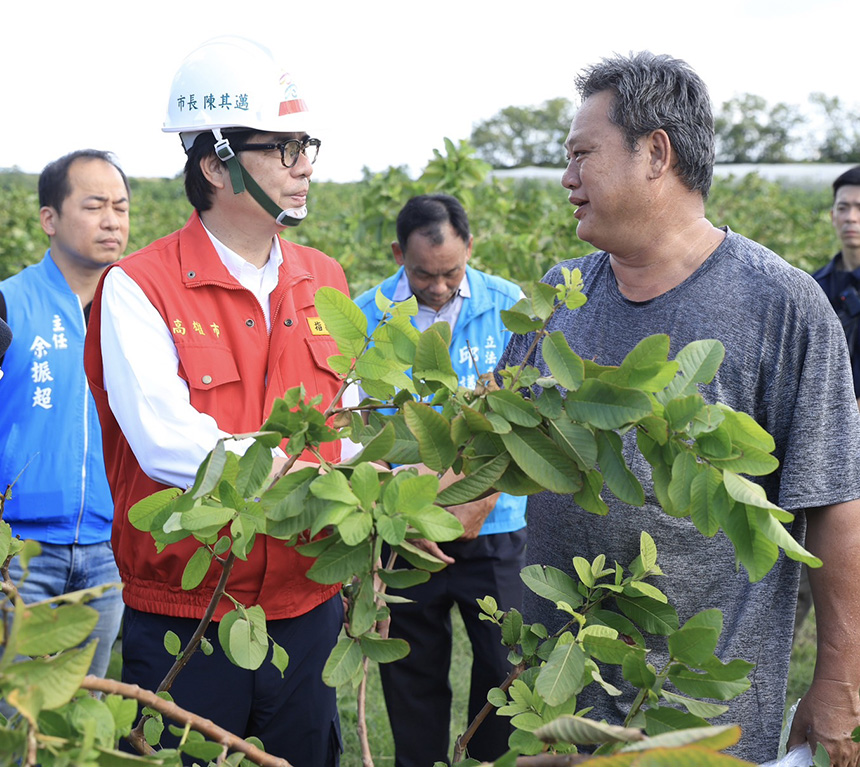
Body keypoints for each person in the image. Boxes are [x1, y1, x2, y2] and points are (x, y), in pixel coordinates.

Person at [497, 52, 860, 766]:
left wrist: (840, 683)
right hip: (558, 688)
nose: (567, 180)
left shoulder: (780, 304)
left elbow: (835, 503)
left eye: (581, 155)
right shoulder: (558, 292)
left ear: (655, 153)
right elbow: (495, 449)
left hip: (698, 708)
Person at [83, 37, 347, 765]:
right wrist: (323, 485)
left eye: (306, 146)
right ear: (216, 163)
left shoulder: (324, 276)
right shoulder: (139, 286)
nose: (304, 167)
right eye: (283, 148)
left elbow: (349, 423)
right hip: (187, 613)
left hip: (307, 606)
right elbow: (168, 441)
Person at [354, 194, 527, 766]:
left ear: (470, 248)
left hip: (496, 527)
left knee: (505, 670)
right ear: (399, 253)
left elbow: (526, 420)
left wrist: (476, 496)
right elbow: (356, 433)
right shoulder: (367, 317)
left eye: (451, 272)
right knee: (412, 674)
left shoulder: (512, 308)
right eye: (423, 273)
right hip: (406, 532)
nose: (437, 286)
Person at [0, 150, 128, 681]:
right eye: (95, 205)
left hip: (109, 552)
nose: (112, 221)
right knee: (18, 717)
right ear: (49, 218)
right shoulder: (9, 304)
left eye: (120, 207)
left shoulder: (138, 311)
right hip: (21, 553)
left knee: (86, 715)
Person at [812, 165, 860, 407]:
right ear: (832, 216)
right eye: (843, 208)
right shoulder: (814, 287)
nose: (851, 217)